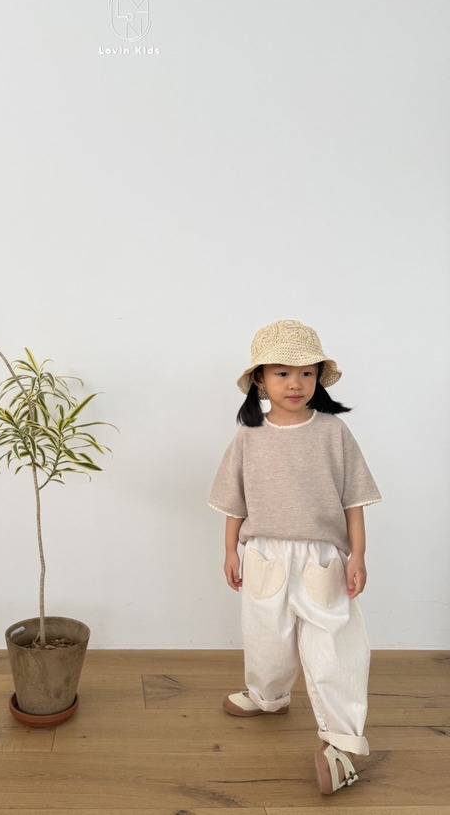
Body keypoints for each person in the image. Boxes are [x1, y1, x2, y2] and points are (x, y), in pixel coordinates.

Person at [208, 319, 381, 795]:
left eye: (306, 373)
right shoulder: (249, 436)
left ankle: (342, 744)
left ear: (318, 379)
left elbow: (354, 500)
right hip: (263, 553)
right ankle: (269, 696)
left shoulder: (333, 432)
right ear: (260, 380)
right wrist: (229, 549)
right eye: (282, 373)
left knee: (333, 646)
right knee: (265, 634)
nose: (295, 383)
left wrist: (358, 555)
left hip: (322, 557)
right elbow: (234, 500)